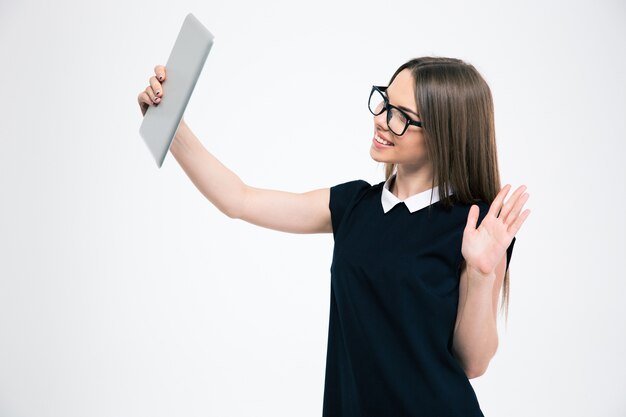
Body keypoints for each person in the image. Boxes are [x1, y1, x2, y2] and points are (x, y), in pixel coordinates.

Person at [137, 56, 530, 417]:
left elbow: (473, 362)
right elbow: (239, 199)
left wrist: (480, 274)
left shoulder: (476, 226)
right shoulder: (353, 205)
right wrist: (171, 124)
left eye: (401, 116)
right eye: (383, 102)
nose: (381, 119)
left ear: (444, 133)